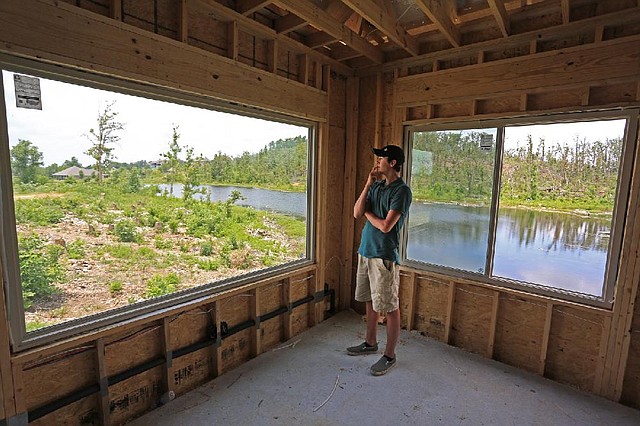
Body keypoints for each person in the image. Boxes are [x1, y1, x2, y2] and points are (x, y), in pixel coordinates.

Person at [347, 144, 412, 376]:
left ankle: (389, 355)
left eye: (381, 158)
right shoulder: (376, 187)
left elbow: (386, 226)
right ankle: (370, 342)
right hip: (365, 251)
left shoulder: (401, 191)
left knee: (390, 306)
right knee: (370, 301)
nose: (377, 162)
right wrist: (367, 183)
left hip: (383, 256)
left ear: (392, 163)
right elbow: (356, 212)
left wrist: (368, 214)